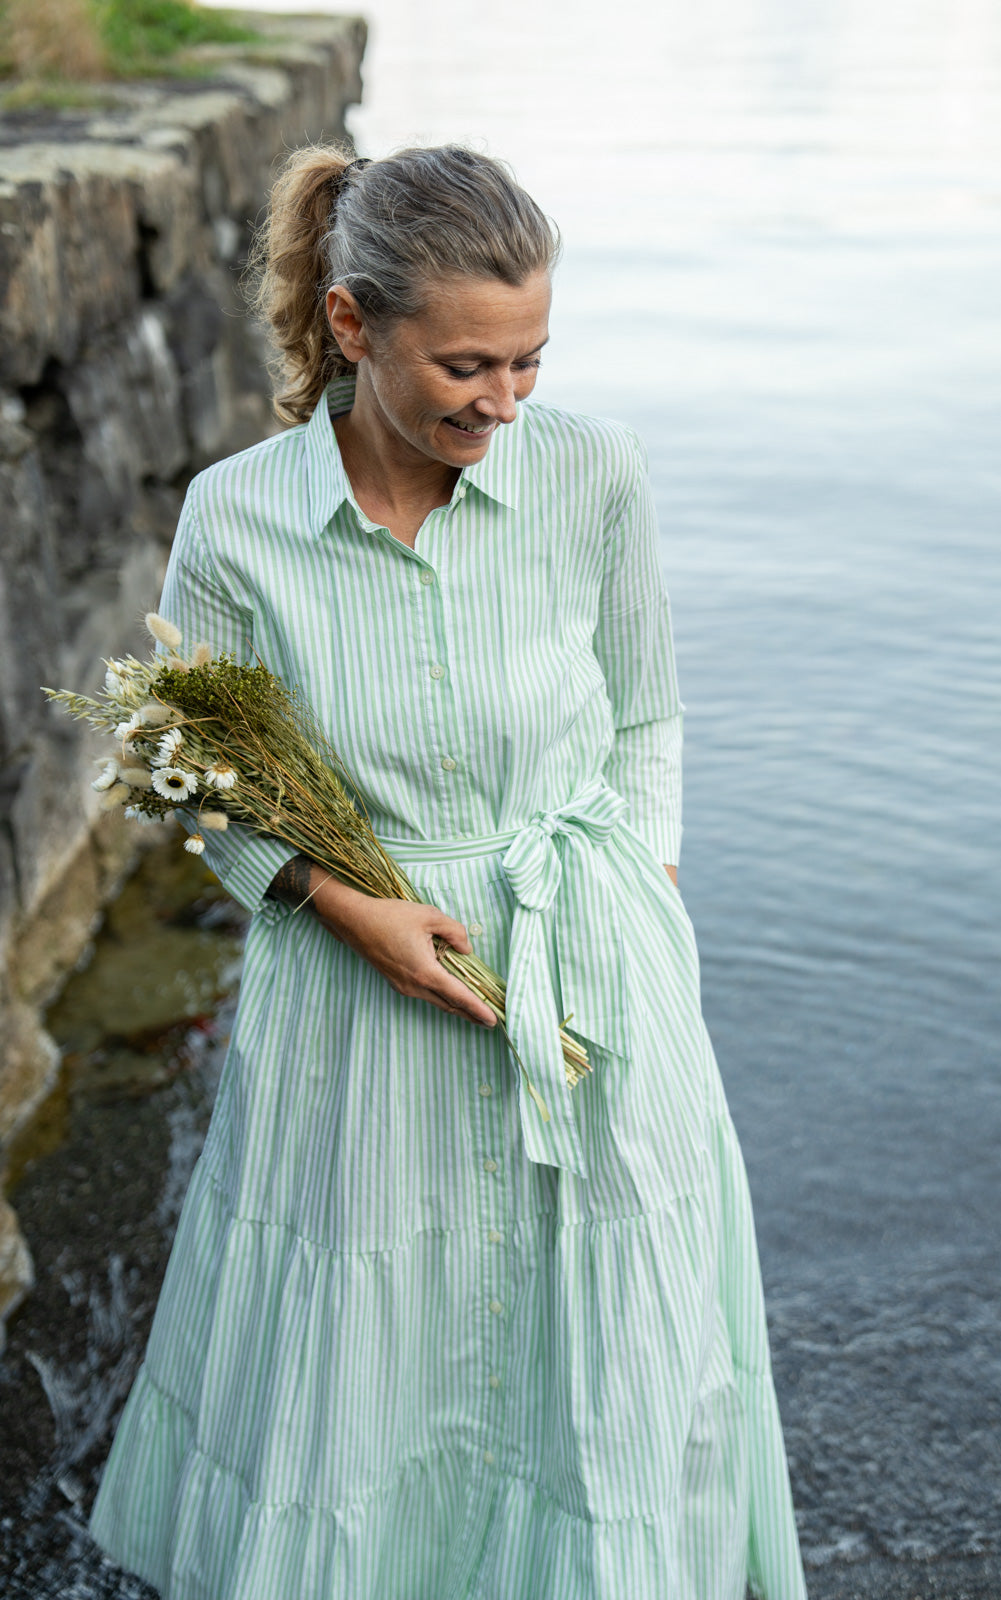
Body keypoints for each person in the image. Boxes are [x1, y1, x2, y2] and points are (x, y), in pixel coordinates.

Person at [89, 143, 808, 1600]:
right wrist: (349, 907)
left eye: (531, 361)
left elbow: (648, 710)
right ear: (351, 327)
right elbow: (198, 769)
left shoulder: (594, 472)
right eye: (467, 364)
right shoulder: (237, 518)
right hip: (355, 995)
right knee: (368, 1343)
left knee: (602, 1337)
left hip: (588, 969)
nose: (504, 402)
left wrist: (642, 910)